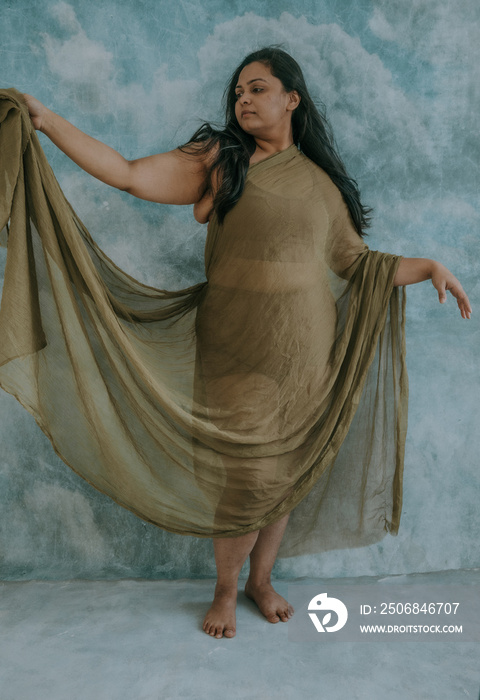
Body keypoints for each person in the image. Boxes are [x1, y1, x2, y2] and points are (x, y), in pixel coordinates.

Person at [9, 46, 471, 641]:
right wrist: (47, 121)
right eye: (238, 92)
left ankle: (261, 580)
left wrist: (430, 264)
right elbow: (127, 173)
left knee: (281, 474)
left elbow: (358, 263)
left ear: (291, 99)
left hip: (307, 355)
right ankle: (227, 589)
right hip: (236, 344)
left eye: (257, 89)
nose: (243, 100)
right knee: (248, 475)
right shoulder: (224, 159)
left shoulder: (322, 184)